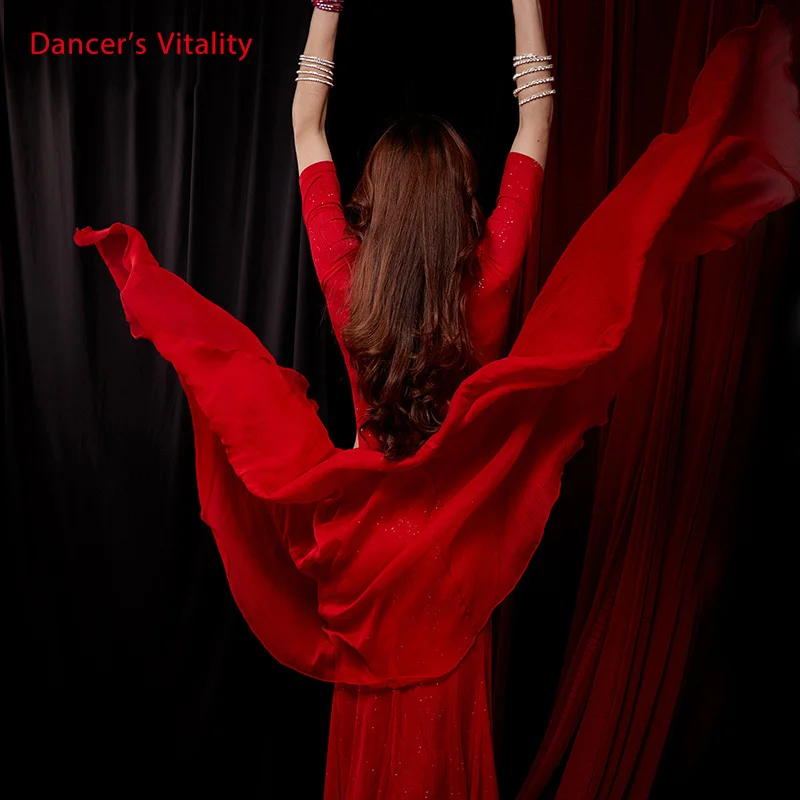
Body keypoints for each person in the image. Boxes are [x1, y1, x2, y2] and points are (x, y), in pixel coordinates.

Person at [74, 1, 799, 798]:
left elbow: (307, 126)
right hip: (456, 549)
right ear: (462, 202)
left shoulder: (346, 277)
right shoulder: (489, 276)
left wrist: (326, 8)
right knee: (444, 726)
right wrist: (526, 4)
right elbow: (536, 118)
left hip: (364, 551)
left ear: (373, 202)